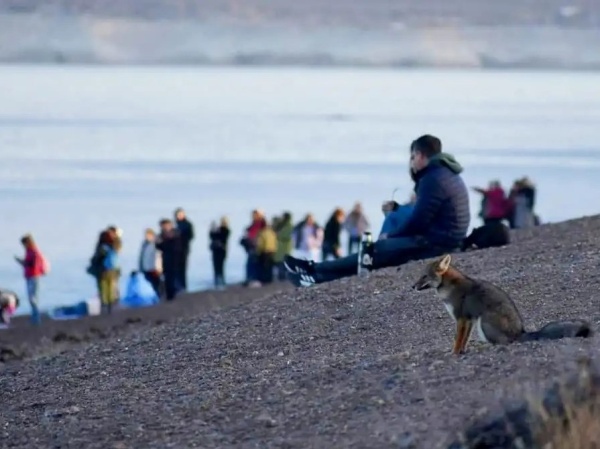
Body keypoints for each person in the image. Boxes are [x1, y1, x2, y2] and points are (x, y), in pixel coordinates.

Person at [284, 134, 470, 286]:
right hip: (446, 239)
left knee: (374, 251)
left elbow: (419, 221)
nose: (412, 163)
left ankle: (314, 271)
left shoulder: (433, 179)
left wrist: (392, 236)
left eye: (413, 157)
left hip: (437, 243)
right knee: (374, 254)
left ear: (421, 155)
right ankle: (318, 273)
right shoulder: (447, 173)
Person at [14, 234, 48, 325]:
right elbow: (28, 264)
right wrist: (22, 262)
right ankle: (34, 317)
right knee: (31, 298)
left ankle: (36, 318)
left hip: (33, 276)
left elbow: (32, 264)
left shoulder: (34, 251)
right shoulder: (29, 251)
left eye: (24, 243)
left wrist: (23, 262)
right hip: (29, 276)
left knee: (33, 298)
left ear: (27, 243)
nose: (23, 246)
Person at [156, 219, 184, 300]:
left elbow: (178, 247)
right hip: (165, 258)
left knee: (173, 276)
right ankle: (169, 294)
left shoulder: (175, 234)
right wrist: (159, 243)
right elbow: (159, 247)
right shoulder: (161, 235)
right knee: (167, 276)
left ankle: (174, 292)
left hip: (174, 258)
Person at [139, 228, 163, 298]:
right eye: (146, 235)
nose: (146, 236)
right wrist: (141, 267)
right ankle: (155, 297)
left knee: (156, 284)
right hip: (146, 268)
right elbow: (142, 257)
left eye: (148, 235)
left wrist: (158, 268)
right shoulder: (144, 244)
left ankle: (160, 297)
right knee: (150, 284)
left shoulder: (156, 243)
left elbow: (158, 257)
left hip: (154, 268)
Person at [174, 208, 194, 290]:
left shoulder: (187, 224)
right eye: (178, 215)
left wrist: (181, 236)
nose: (179, 216)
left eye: (181, 214)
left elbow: (191, 236)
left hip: (184, 248)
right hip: (176, 249)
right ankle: (179, 285)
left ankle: (183, 286)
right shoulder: (176, 224)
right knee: (177, 268)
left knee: (182, 267)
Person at [209, 217, 230, 290]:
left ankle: (220, 282)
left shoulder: (226, 230)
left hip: (221, 251)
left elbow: (221, 237)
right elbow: (212, 236)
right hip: (217, 250)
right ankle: (218, 282)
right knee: (217, 267)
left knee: (219, 266)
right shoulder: (219, 230)